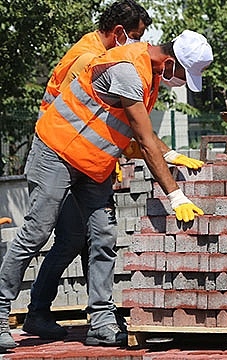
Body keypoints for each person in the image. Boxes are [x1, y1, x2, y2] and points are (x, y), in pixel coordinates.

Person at [0, 29, 212, 350]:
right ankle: (0, 314)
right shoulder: (128, 69)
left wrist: (168, 153)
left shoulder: (150, 74)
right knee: (37, 231)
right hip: (57, 150)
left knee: (102, 236)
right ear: (169, 63)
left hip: (93, 163)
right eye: (182, 75)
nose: (181, 82)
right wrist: (175, 194)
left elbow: (131, 132)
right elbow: (143, 139)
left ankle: (100, 322)